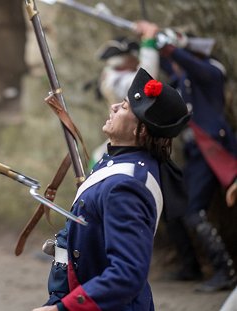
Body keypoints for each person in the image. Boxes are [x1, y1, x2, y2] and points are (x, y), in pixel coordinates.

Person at [32, 68, 191, 311]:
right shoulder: (120, 161)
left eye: (125, 107)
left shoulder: (126, 186)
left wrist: (63, 309)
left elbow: (127, 274)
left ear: (142, 130)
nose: (114, 106)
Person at [159, 32, 237, 292]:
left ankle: (225, 270)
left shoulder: (211, 73)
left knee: (194, 212)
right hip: (196, 154)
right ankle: (190, 266)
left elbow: (183, 61)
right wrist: (148, 40)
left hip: (213, 152)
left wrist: (169, 45)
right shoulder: (184, 78)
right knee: (176, 209)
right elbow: (170, 65)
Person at [89, 20, 160, 167]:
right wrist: (148, 41)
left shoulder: (111, 73)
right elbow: (146, 78)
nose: (137, 60)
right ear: (125, 60)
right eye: (134, 57)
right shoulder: (118, 81)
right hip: (133, 135)